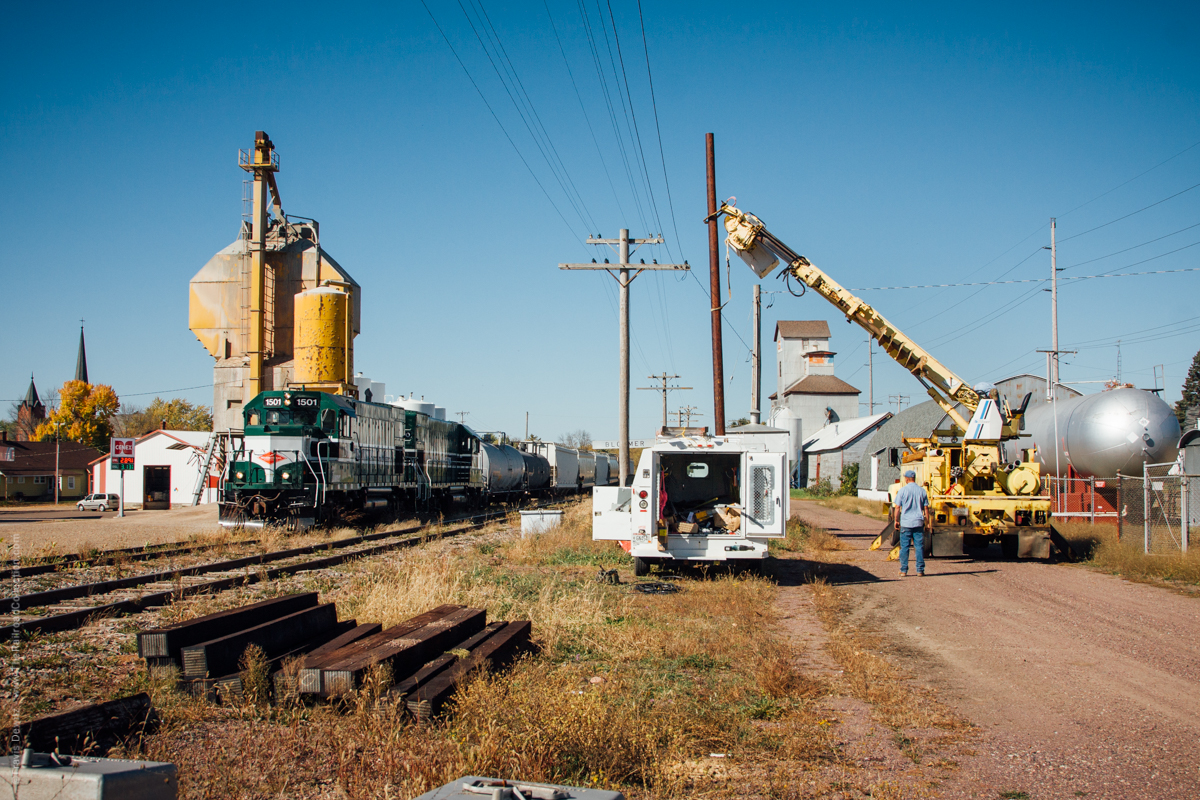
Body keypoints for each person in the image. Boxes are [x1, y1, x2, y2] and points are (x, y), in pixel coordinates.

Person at [893, 469, 930, 577]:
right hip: (918, 522)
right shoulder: (922, 491)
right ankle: (920, 570)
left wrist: (896, 520)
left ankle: (904, 570)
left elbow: (897, 507)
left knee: (905, 547)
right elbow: (926, 509)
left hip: (906, 523)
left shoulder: (902, 491)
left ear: (907, 479)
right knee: (919, 547)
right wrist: (927, 523)